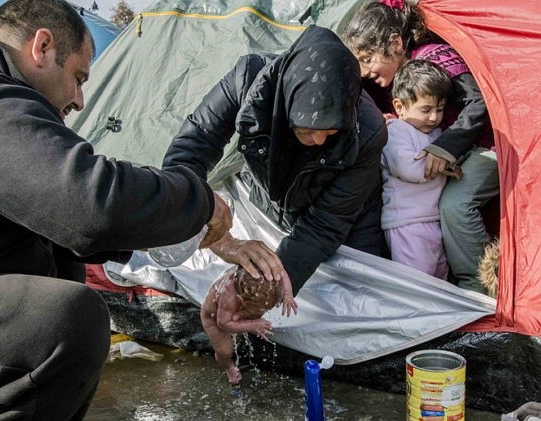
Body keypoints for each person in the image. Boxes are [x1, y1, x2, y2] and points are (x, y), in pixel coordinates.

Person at [0, 0, 232, 421]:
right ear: (42, 46)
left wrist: (193, 239)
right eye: (78, 77)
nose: (78, 100)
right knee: (62, 320)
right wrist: (200, 202)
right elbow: (88, 202)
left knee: (60, 262)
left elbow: (61, 220)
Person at [162, 25, 389, 299]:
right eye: (306, 129)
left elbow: (325, 226)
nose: (318, 140)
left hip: (348, 220)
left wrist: (269, 289)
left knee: (358, 299)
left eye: (330, 131)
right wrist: (213, 234)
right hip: (267, 201)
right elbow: (193, 145)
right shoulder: (248, 80)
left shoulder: (368, 130)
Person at [343, 0, 499, 294]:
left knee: (455, 204)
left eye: (367, 58)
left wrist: (444, 147)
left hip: (486, 144)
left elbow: (479, 102)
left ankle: (480, 286)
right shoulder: (393, 84)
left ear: (395, 43)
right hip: (441, 175)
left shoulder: (432, 59)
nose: (364, 71)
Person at [381, 59, 454, 279]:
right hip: (407, 222)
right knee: (418, 285)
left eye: (440, 109)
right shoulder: (396, 131)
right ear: (400, 107)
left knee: (441, 280)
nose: (434, 117)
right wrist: (444, 166)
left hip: (433, 220)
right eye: (426, 109)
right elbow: (407, 168)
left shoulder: (436, 135)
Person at [201, 265, 297, 384]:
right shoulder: (228, 298)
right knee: (225, 351)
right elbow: (223, 323)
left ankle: (248, 321)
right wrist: (252, 324)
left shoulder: (267, 273)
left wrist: (287, 293)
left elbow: (281, 271)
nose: (264, 312)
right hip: (214, 318)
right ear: (241, 301)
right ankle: (228, 366)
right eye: (262, 310)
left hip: (234, 313)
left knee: (252, 314)